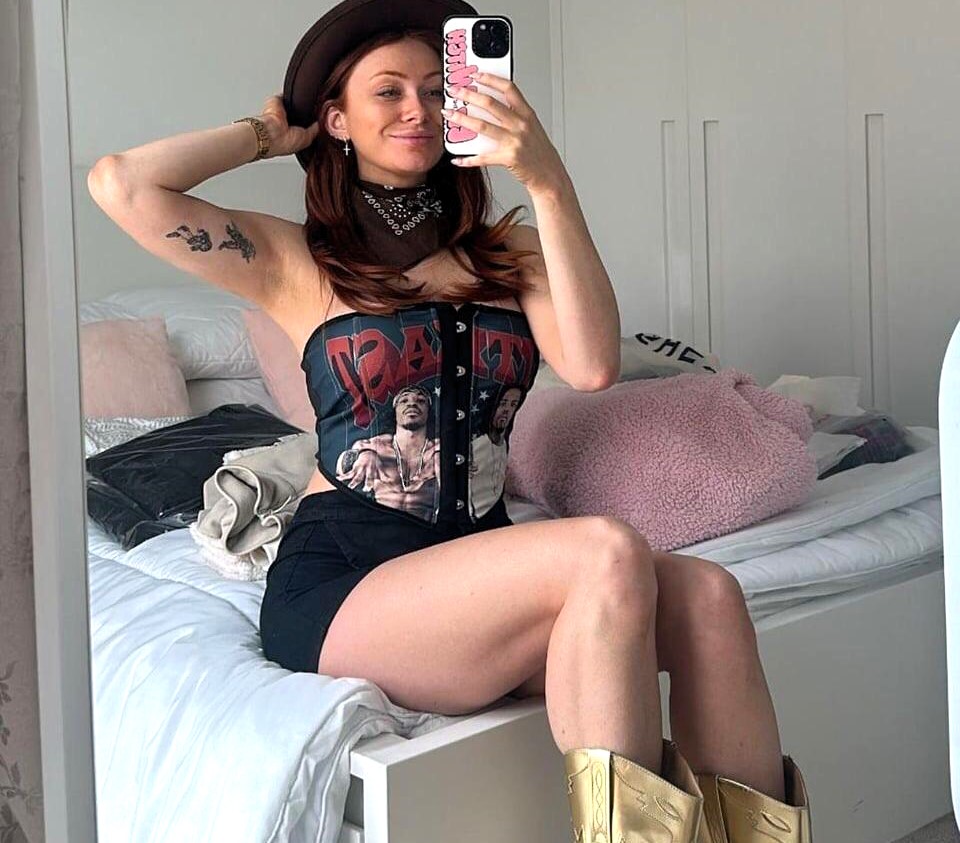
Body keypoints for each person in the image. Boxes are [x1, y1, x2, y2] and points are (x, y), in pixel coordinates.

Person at [86, 0, 812, 839]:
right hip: (347, 579)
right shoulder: (296, 260)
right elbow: (121, 184)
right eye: (388, 91)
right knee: (606, 550)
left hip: (480, 569)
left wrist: (547, 177)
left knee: (713, 596)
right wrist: (269, 132)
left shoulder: (509, 253)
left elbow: (592, 365)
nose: (418, 109)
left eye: (437, 89)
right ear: (338, 118)